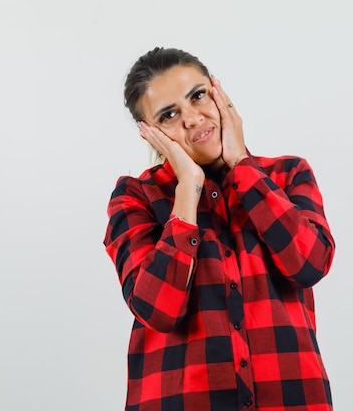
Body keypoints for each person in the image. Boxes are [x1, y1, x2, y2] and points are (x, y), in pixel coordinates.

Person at [103, 47, 335, 411]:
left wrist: (241, 164)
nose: (194, 119)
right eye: (169, 114)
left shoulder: (287, 175)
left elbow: (309, 264)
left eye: (198, 96)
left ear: (218, 93)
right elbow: (158, 310)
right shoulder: (136, 198)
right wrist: (188, 191)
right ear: (149, 133)